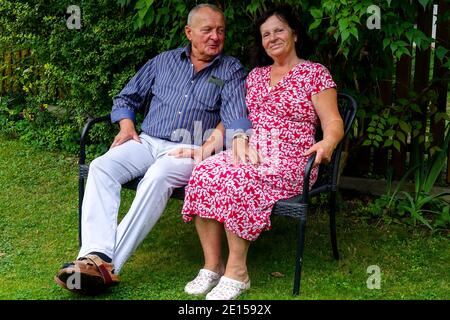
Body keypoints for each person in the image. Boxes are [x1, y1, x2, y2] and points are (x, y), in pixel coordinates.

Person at [54, 3, 251, 295]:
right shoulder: (163, 62)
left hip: (190, 149)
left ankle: (105, 265)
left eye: (220, 30)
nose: (215, 36)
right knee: (101, 166)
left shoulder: (230, 68)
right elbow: (126, 97)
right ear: (189, 32)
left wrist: (237, 143)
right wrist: (125, 126)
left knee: (158, 175)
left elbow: (235, 116)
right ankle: (95, 254)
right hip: (147, 141)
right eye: (207, 29)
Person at [175, 6, 345, 300]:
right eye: (266, 34)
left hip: (291, 158)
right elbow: (232, 117)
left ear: (294, 33)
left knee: (240, 178)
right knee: (204, 172)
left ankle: (237, 272)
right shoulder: (255, 76)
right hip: (251, 150)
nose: (272, 37)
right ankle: (212, 265)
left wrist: (327, 142)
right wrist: (206, 148)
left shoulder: (314, 73)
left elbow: (333, 121)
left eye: (279, 30)